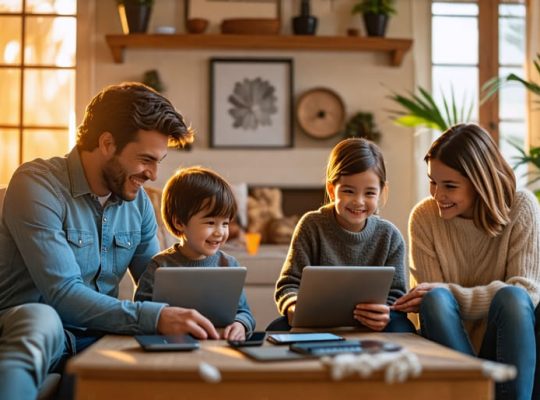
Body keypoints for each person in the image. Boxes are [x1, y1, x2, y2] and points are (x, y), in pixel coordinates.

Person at [0, 82, 221, 400]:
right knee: (41, 317)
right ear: (106, 143)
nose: (154, 174)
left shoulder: (138, 203)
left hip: (102, 334)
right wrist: (154, 316)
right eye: (146, 159)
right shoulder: (37, 184)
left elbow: (158, 283)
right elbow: (62, 294)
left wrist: (225, 316)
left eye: (159, 161)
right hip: (39, 327)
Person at [393, 123, 540, 400]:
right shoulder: (424, 217)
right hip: (451, 343)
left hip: (506, 344)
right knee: (434, 298)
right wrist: (443, 294)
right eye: (433, 181)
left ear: (480, 182)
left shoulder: (522, 207)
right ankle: (471, 391)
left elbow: (527, 294)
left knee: (512, 297)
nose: (437, 195)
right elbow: (427, 302)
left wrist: (452, 293)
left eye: (449, 186)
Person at [272, 138, 416, 332]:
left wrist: (386, 313)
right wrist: (293, 306)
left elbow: (396, 296)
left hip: (371, 324)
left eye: (370, 193)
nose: (358, 201)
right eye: (349, 191)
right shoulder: (311, 226)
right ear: (332, 190)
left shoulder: (390, 236)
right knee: (276, 327)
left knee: (402, 326)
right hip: (317, 320)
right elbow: (289, 284)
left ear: (382, 191)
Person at [134, 166, 256, 340]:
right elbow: (141, 314)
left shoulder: (229, 266)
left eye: (225, 223)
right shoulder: (159, 266)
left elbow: (244, 312)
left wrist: (241, 324)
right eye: (210, 222)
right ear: (179, 223)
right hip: (172, 346)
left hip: (218, 344)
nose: (220, 232)